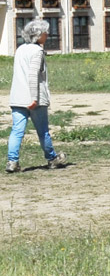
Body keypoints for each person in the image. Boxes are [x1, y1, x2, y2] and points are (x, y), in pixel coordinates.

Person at [6, 19, 66, 173]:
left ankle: (12, 162)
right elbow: (33, 76)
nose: (47, 34)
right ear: (38, 35)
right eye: (45, 32)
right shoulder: (37, 51)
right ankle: (52, 158)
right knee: (43, 131)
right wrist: (34, 98)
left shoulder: (20, 49)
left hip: (17, 97)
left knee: (17, 131)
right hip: (34, 99)